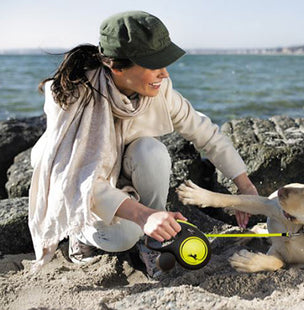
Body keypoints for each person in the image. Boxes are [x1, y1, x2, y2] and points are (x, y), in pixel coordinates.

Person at [29, 11, 258, 275]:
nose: (164, 73)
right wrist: (143, 216)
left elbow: (206, 134)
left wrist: (245, 188)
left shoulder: (160, 91)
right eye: (154, 64)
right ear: (116, 67)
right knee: (125, 236)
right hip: (79, 186)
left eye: (164, 62)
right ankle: (81, 233)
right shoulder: (72, 98)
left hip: (124, 175)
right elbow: (79, 180)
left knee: (151, 151)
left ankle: (152, 241)